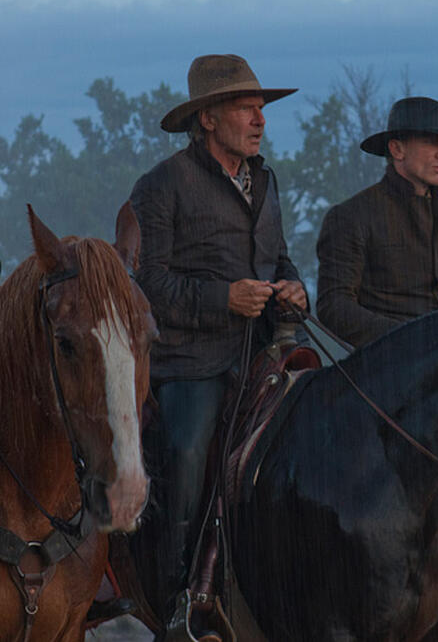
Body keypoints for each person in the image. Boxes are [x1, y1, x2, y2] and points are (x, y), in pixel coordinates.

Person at [129, 54, 307, 626]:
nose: (259, 120)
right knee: (184, 452)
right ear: (206, 118)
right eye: (245, 108)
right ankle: (177, 600)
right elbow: (149, 284)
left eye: (261, 110)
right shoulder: (160, 185)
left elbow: (277, 256)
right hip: (191, 360)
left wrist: (297, 288)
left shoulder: (266, 180)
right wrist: (223, 298)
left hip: (265, 349)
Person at [316, 96, 438, 347]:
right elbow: (334, 306)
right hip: (387, 369)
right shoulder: (351, 216)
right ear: (397, 149)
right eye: (431, 142)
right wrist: (408, 339)